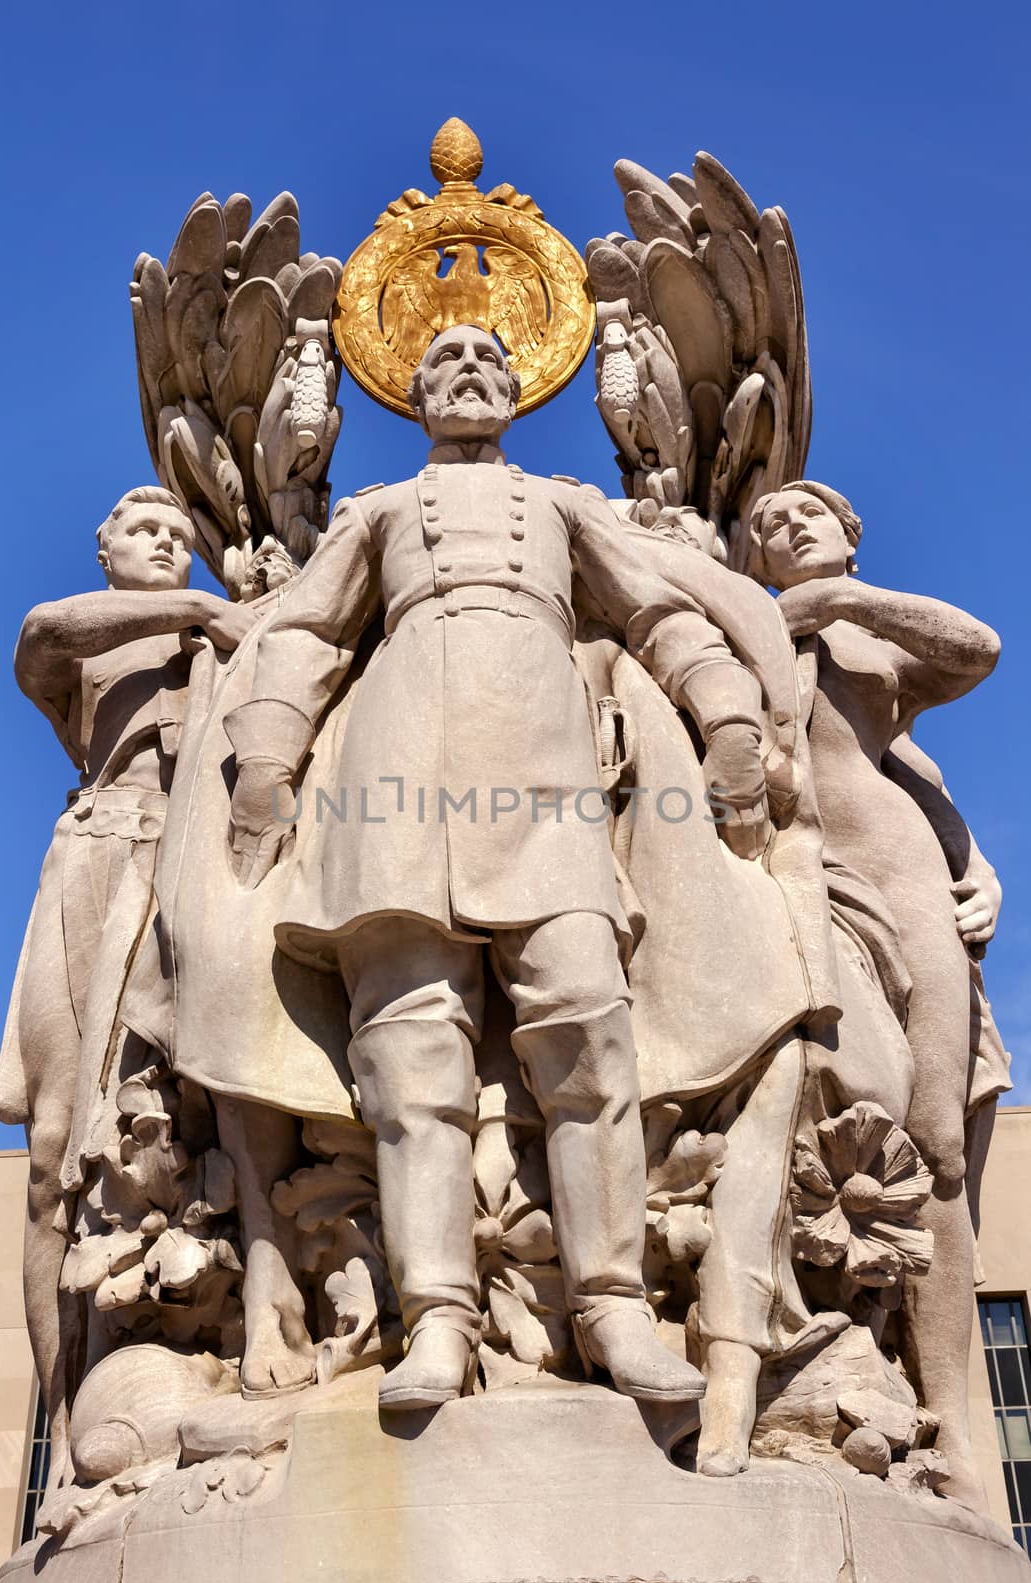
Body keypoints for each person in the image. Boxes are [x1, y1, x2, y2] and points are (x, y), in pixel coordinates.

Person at [223, 324, 775, 1411]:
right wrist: (266, 756)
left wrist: (724, 715)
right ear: (411, 395)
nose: (470, 365)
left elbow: (657, 610)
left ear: (522, 391)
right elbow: (305, 634)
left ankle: (611, 1304)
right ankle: (434, 1317)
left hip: (545, 774)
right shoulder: (375, 513)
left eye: (489, 355)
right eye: (446, 359)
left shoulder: (565, 505)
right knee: (411, 1046)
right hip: (397, 782)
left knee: (586, 1027)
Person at [744, 479, 1002, 1507]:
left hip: (900, 895)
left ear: (849, 537)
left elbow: (974, 649)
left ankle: (956, 1434)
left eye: (807, 514)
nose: (784, 526)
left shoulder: (866, 645)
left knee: (932, 1148)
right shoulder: (740, 629)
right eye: (765, 524)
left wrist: (836, 602)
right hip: (798, 895)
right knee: (839, 1120)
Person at [0, 487, 251, 1485]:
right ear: (104, 546)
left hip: (188, 873)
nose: (170, 546)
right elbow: (40, 630)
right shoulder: (102, 642)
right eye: (147, 532)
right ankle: (65, 1436)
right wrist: (197, 608)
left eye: (183, 539)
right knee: (54, 1155)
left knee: (184, 1135)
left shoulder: (216, 651)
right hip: (98, 860)